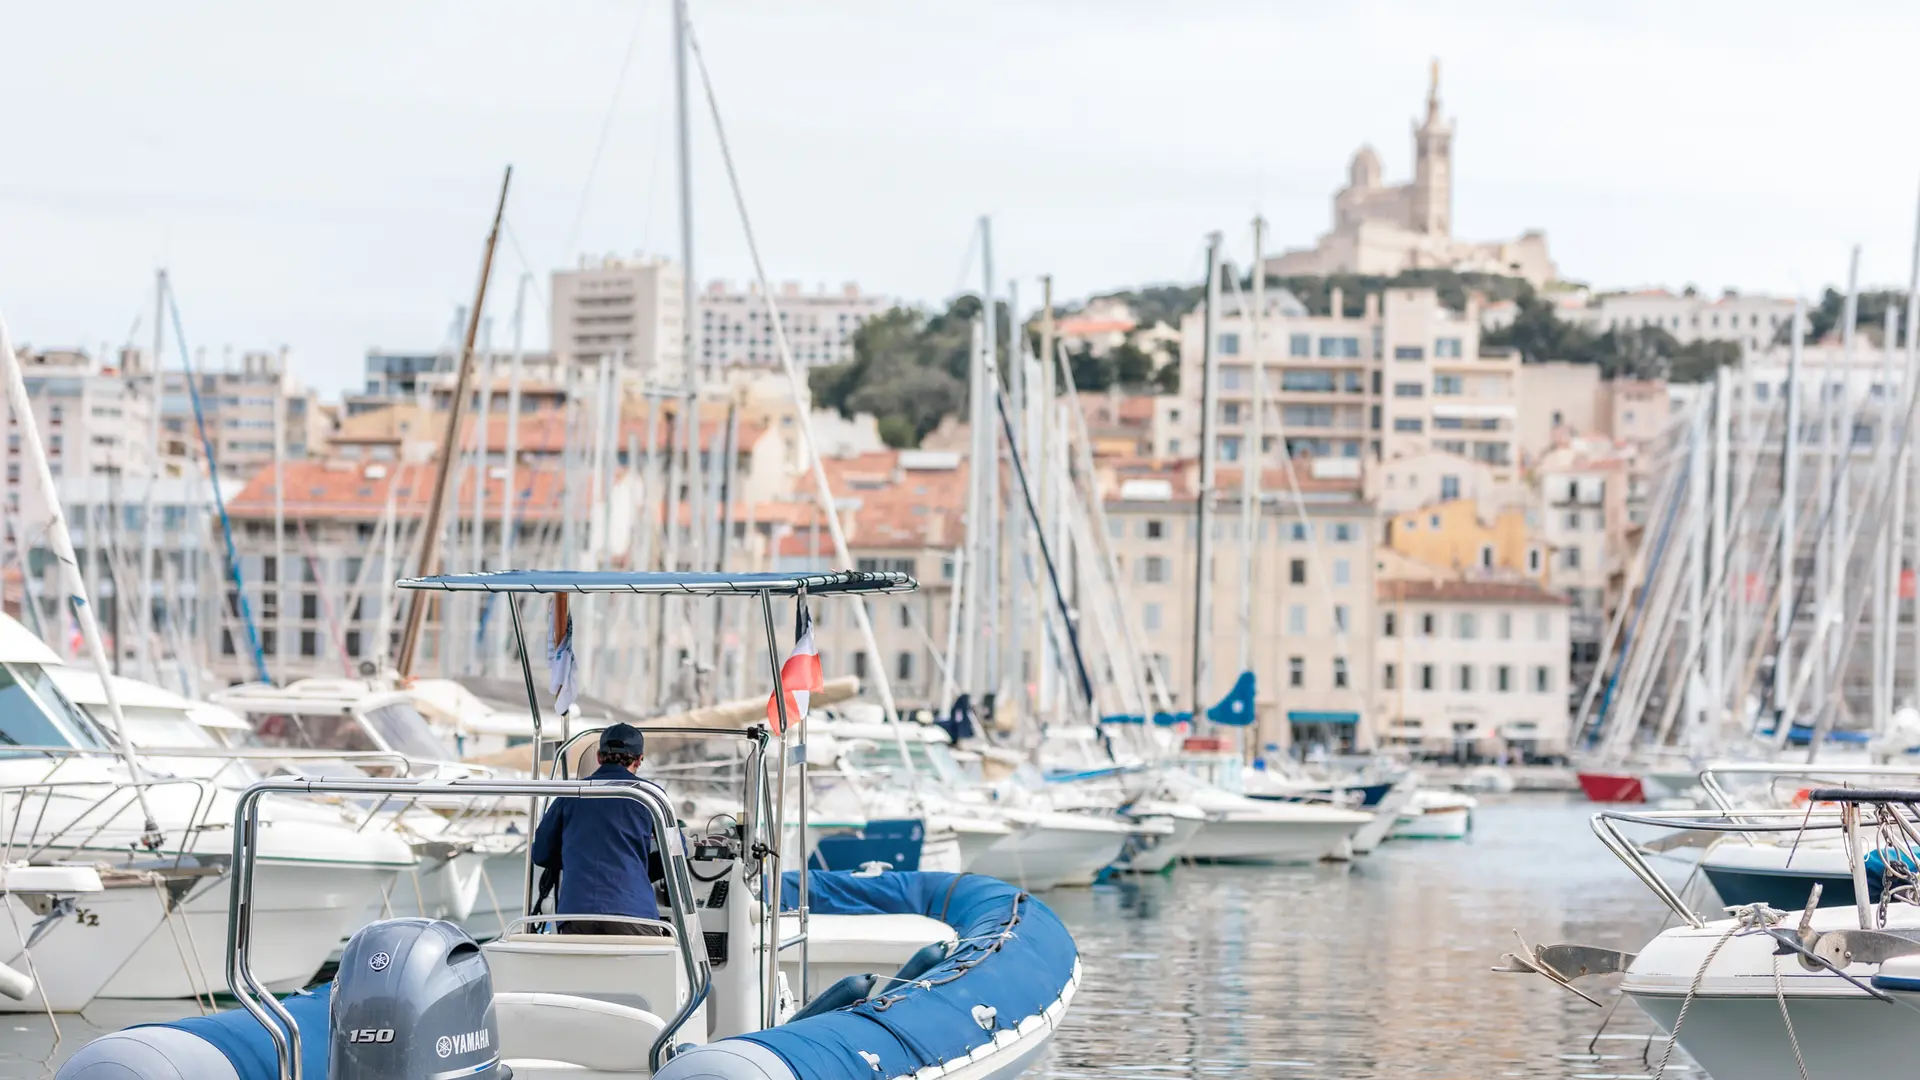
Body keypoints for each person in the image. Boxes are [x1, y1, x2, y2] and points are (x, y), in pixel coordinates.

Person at [530, 722, 671, 936]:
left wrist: (577, 859)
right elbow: (676, 854)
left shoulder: (570, 794)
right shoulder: (650, 795)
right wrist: (641, 870)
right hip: (632, 911)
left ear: (598, 756)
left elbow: (541, 854)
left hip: (575, 915)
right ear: (639, 759)